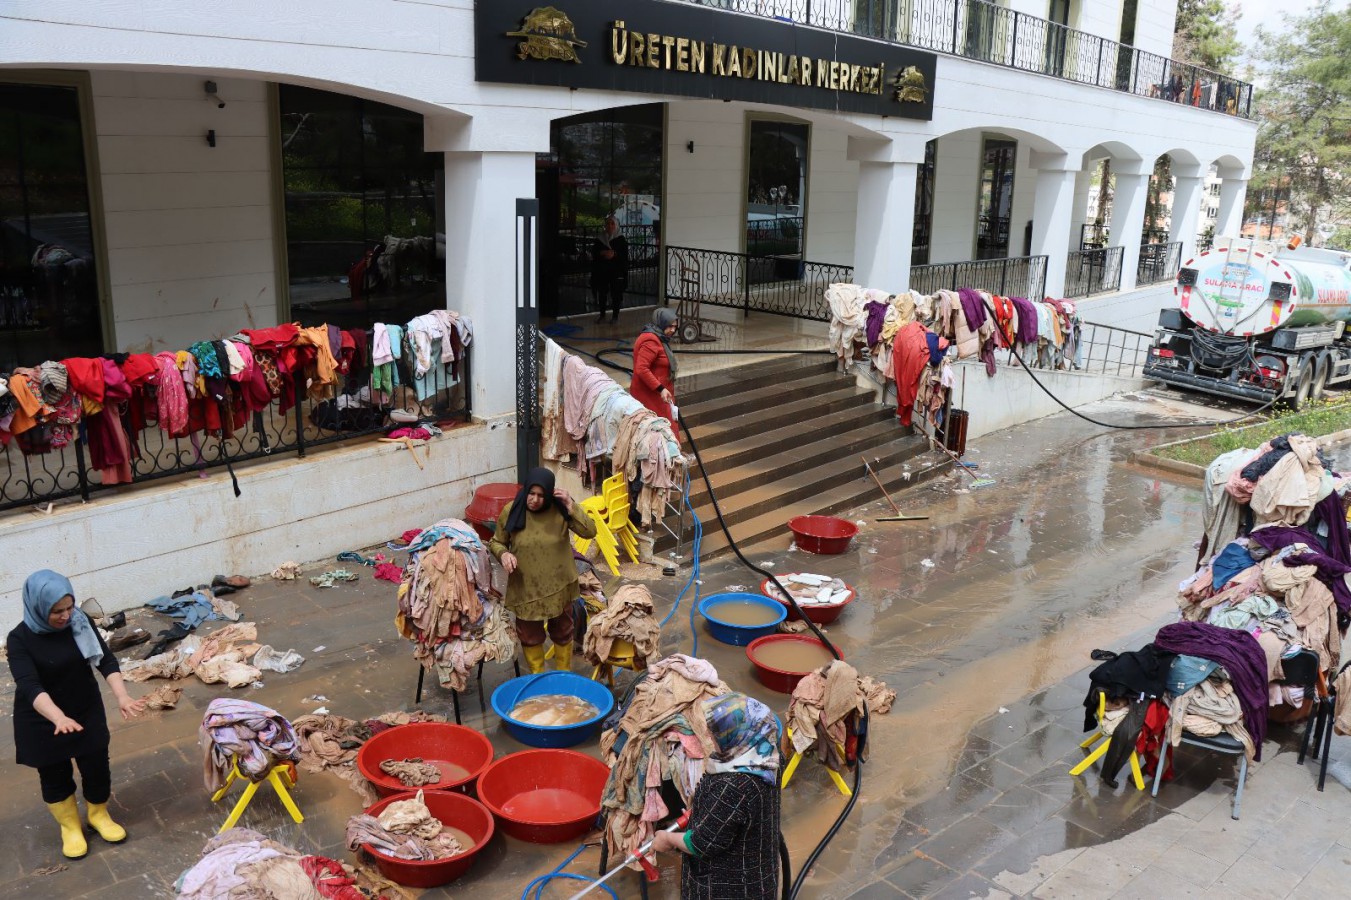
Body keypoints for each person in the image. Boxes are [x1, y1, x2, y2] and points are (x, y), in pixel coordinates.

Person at [7, 570, 146, 859]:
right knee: (55, 775)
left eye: (69, 607)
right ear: (37, 607)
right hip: (43, 717)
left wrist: (122, 696)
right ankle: (70, 827)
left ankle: (98, 815)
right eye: (57, 611)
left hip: (84, 707)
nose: (66, 616)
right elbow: (29, 685)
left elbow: (105, 660)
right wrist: (57, 717)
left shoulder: (80, 622)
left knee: (97, 767)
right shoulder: (19, 639)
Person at [651, 693, 783, 899]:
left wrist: (667, 839)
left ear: (736, 736)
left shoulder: (733, 786)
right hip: (759, 871)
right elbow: (737, 814)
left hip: (731, 887)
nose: (709, 736)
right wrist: (704, 812)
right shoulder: (765, 757)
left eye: (716, 733)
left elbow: (702, 843)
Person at [489, 467, 597, 673]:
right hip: (526, 588)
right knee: (530, 636)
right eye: (531, 493)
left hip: (560, 587)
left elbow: (590, 531)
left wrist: (572, 506)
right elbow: (496, 542)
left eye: (541, 495)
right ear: (526, 490)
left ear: (549, 494)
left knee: (563, 632)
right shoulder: (512, 511)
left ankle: (563, 675)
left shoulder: (560, 509)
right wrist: (503, 554)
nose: (535, 499)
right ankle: (537, 677)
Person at [631, 307, 680, 440]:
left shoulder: (659, 337)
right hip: (651, 395)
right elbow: (642, 368)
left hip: (660, 394)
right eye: (670, 326)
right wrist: (660, 388)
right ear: (661, 323)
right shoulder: (651, 340)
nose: (673, 330)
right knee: (661, 432)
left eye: (675, 327)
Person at [590, 216, 629, 324]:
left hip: (616, 271)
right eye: (608, 224)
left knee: (616, 294)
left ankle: (615, 316)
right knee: (602, 293)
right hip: (602, 271)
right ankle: (602, 315)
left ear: (616, 226)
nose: (610, 226)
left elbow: (624, 256)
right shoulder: (600, 239)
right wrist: (602, 253)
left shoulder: (621, 239)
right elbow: (594, 253)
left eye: (612, 224)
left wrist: (614, 254)